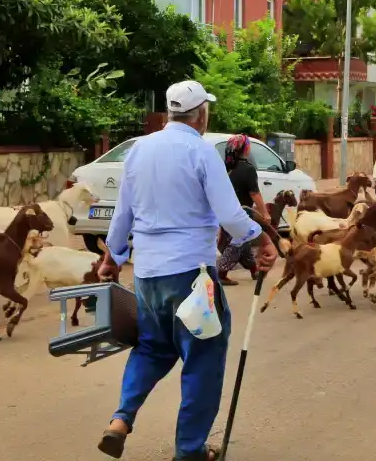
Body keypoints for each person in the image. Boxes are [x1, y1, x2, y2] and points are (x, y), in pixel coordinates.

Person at [96, 80, 279, 461]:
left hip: (147, 274)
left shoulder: (138, 150)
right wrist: (262, 240)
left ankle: (121, 419)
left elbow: (122, 213)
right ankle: (190, 451)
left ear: (169, 112)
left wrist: (111, 257)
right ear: (201, 114)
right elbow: (231, 215)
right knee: (204, 356)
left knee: (151, 347)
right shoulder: (201, 151)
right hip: (191, 276)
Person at [217, 134, 270, 286]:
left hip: (224, 211)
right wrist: (264, 213)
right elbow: (255, 194)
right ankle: (220, 272)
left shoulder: (225, 168)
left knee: (244, 242)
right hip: (241, 213)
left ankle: (254, 270)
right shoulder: (247, 169)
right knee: (238, 243)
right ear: (246, 149)